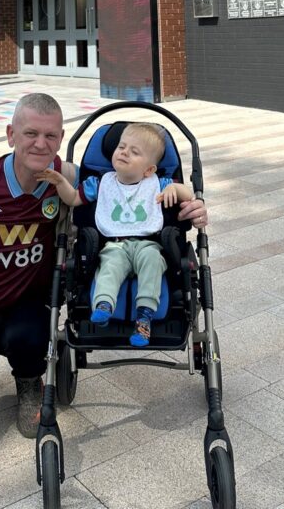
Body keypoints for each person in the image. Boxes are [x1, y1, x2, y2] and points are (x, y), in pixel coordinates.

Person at [0, 93, 209, 469]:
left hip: (24, 310)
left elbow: (134, 192)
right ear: (10, 134)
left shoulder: (68, 178)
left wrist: (190, 207)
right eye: (30, 133)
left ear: (61, 138)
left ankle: (29, 378)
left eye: (50, 136)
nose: (40, 144)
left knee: (35, 329)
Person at [37, 122, 191, 346]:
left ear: (149, 170)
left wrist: (174, 189)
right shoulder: (100, 184)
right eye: (121, 146)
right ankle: (104, 305)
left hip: (147, 244)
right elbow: (72, 199)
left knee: (153, 262)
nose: (124, 152)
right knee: (109, 266)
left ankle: (144, 317)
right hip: (114, 244)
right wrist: (61, 182)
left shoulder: (157, 183)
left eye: (134, 151)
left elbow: (187, 193)